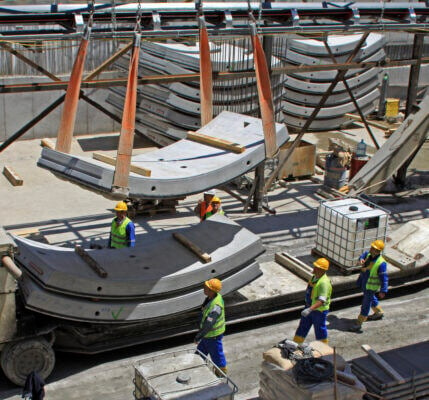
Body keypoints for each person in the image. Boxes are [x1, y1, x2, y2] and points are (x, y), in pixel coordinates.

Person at [349, 240, 388, 333]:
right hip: (364, 283)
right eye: (371, 247)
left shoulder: (381, 263)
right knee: (370, 298)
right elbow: (363, 254)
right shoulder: (368, 255)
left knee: (365, 304)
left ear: (378, 251)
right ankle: (378, 312)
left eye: (373, 249)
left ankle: (359, 323)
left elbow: (384, 278)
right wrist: (361, 259)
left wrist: (383, 290)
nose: (371, 249)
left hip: (371, 286)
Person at [293, 258, 332, 344]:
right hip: (310, 307)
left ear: (322, 270)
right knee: (303, 326)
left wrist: (310, 309)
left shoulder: (323, 283)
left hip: (318, 311)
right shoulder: (314, 277)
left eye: (316, 267)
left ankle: (323, 347)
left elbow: (322, 300)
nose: (313, 269)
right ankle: (296, 344)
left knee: (319, 329)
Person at [194, 278, 228, 375]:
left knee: (217, 356)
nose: (204, 288)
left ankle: (220, 373)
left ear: (212, 291)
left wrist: (198, 336)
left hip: (213, 335)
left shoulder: (216, 306)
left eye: (207, 287)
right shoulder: (211, 297)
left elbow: (209, 324)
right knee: (200, 353)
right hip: (207, 335)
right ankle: (196, 367)